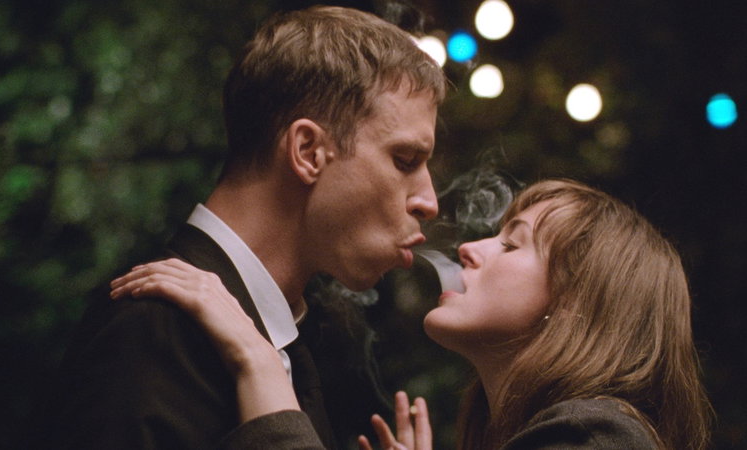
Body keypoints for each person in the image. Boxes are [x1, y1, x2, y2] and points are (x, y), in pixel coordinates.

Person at [38, 5, 446, 449]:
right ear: (308, 151)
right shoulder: (151, 328)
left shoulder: (285, 340)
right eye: (405, 160)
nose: (429, 202)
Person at [110, 179, 713, 449]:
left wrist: (259, 364)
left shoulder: (598, 439)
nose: (471, 248)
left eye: (512, 244)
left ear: (577, 304)